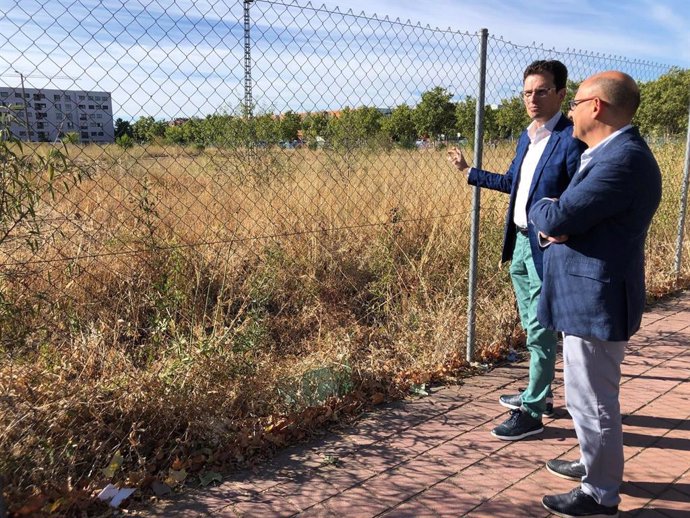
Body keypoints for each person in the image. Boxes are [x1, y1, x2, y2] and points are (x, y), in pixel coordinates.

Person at [530, 71, 662, 517]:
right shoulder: (607, 153)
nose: (570, 111)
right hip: (588, 296)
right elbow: (568, 221)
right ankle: (594, 464)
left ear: (597, 107)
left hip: (596, 301)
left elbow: (556, 216)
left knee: (593, 401)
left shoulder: (621, 160)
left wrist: (548, 215)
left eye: (576, 103)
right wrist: (561, 224)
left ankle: (600, 494)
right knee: (585, 397)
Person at [448, 60, 585, 440]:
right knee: (531, 325)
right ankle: (539, 394)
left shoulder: (571, 139)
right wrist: (468, 171)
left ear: (560, 94)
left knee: (540, 328)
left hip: (547, 246)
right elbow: (513, 182)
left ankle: (533, 410)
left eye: (542, 91)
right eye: (527, 92)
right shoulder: (529, 136)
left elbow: (578, 197)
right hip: (521, 243)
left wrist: (564, 232)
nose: (533, 99)